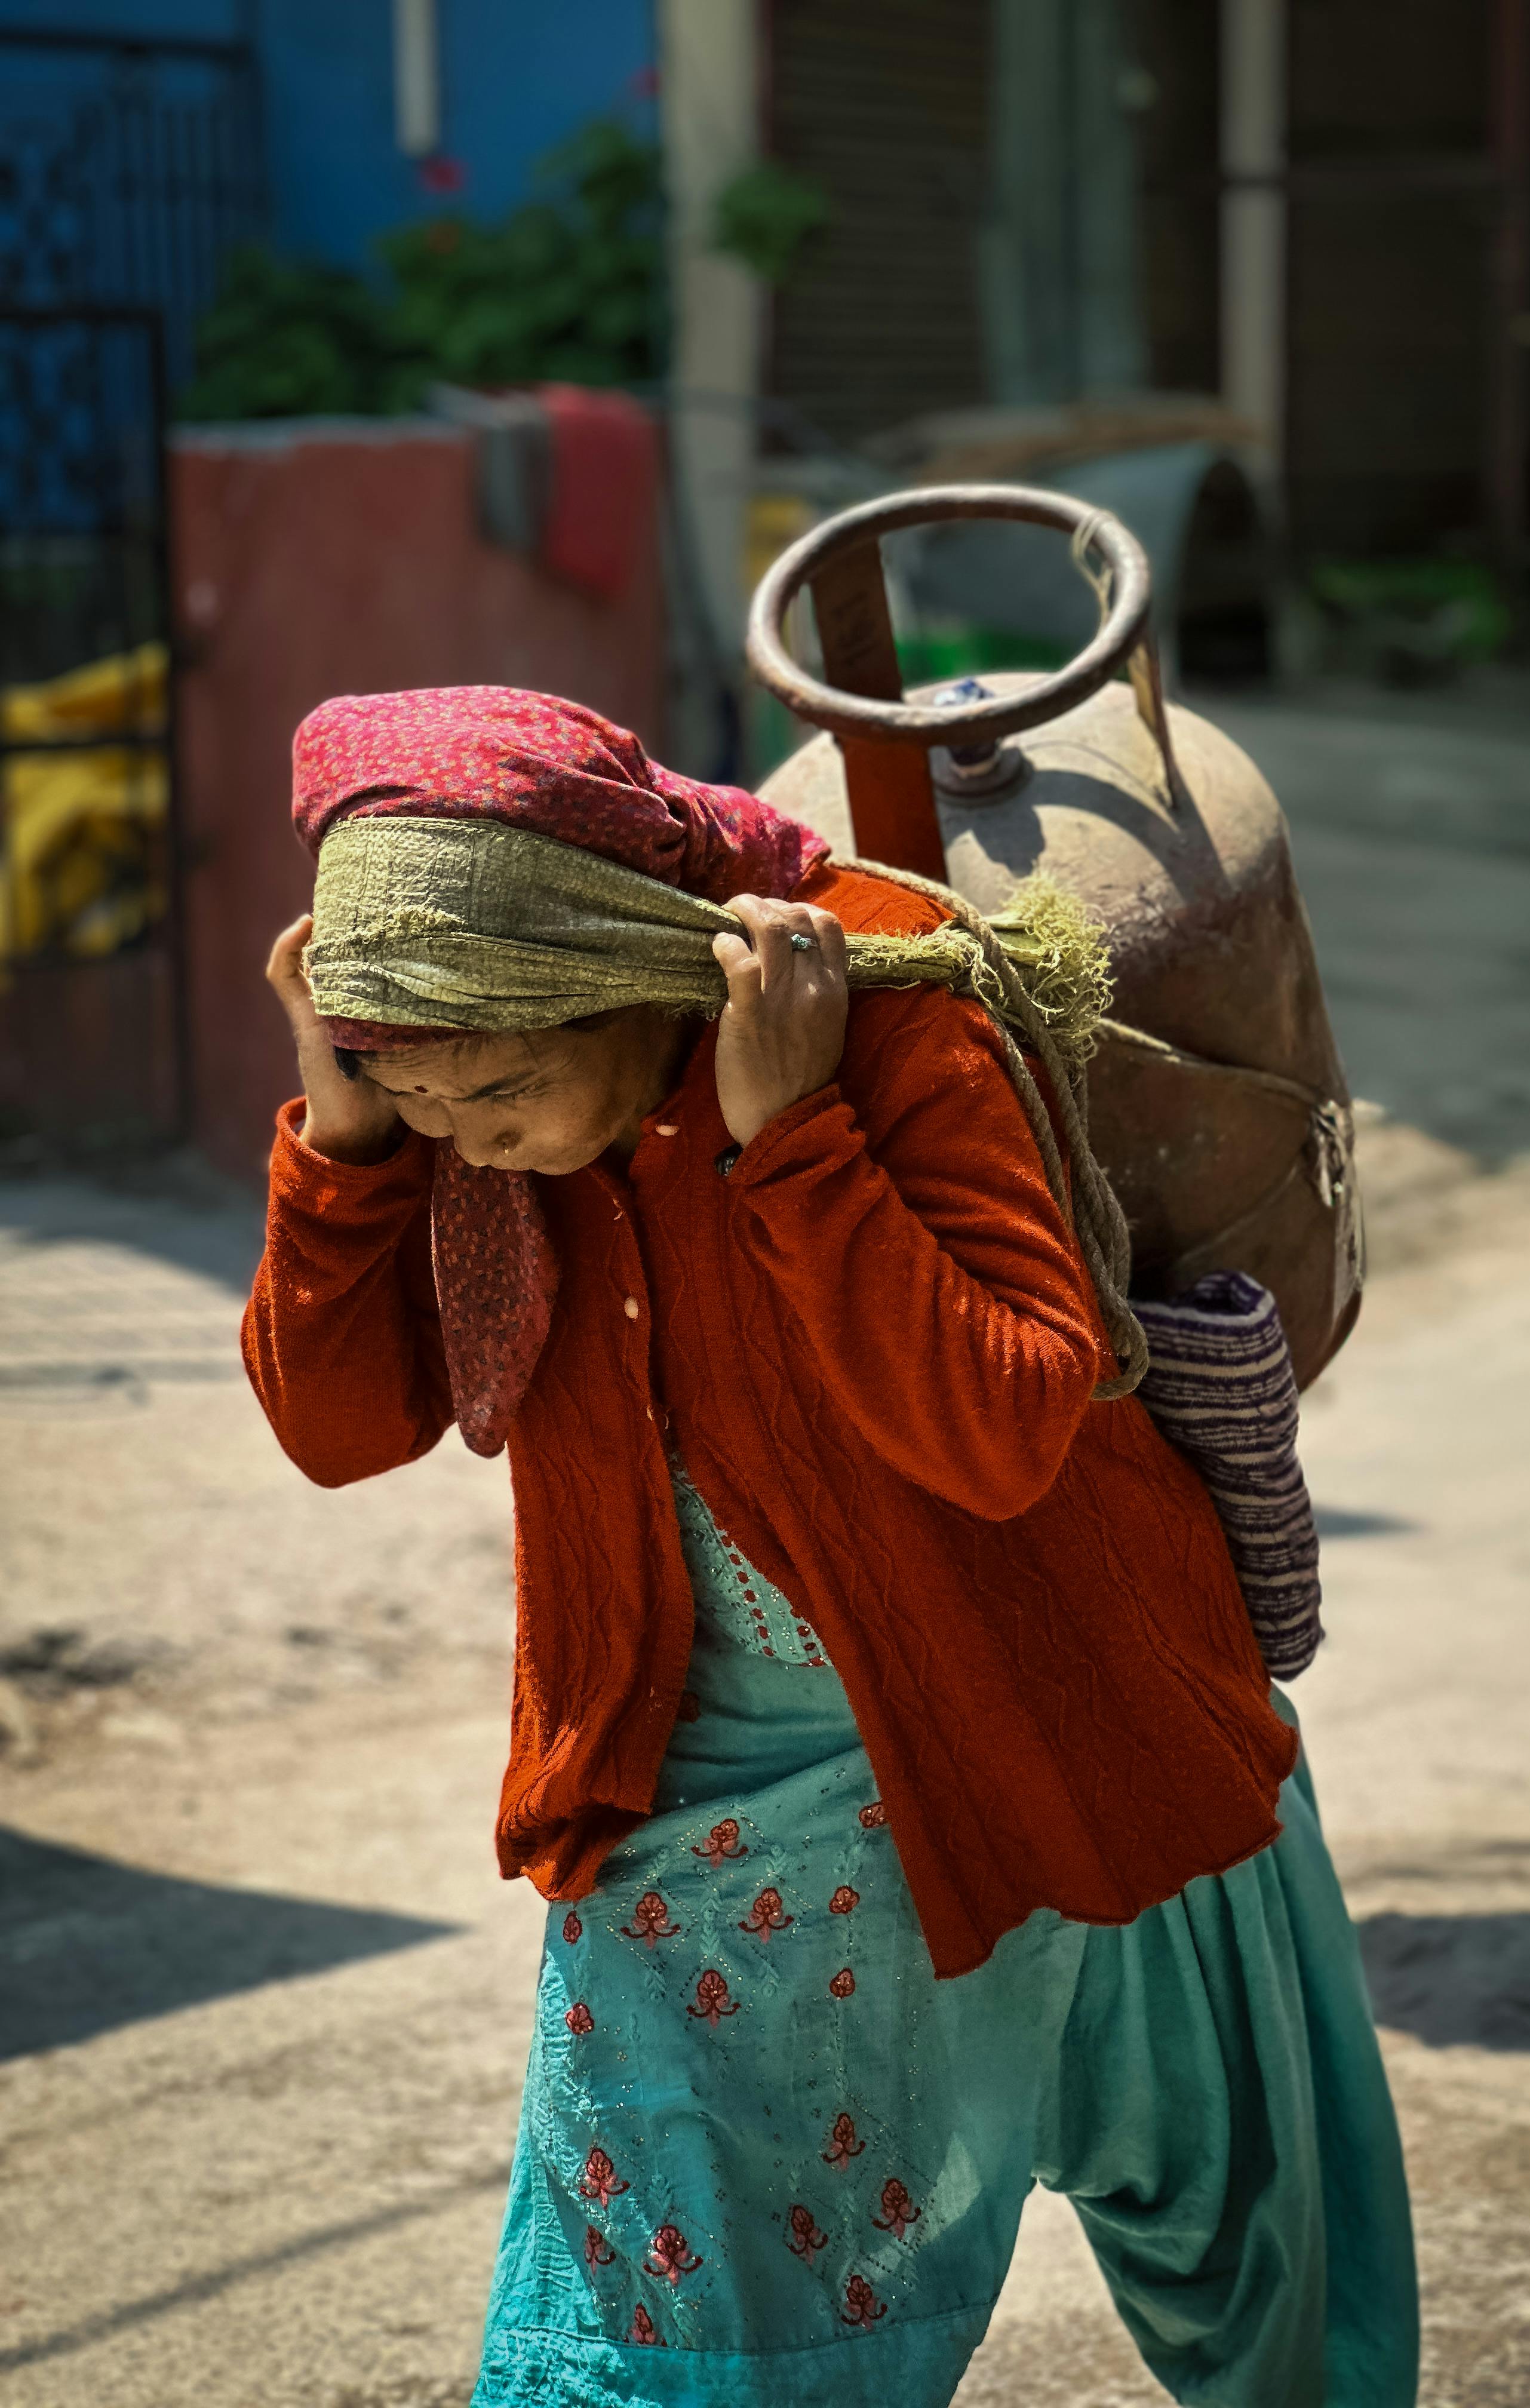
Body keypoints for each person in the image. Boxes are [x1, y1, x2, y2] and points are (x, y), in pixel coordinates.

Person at [244, 685, 1417, 2408]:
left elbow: (1009, 1427)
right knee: (651, 2352)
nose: (462, 1147)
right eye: (421, 1108)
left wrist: (793, 1138)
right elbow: (341, 1431)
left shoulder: (892, 1008)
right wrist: (348, 1142)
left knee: (1275, 2309)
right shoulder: (445, 1061)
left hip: (1083, 1724)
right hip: (693, 1802)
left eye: (493, 1096)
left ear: (627, 976)